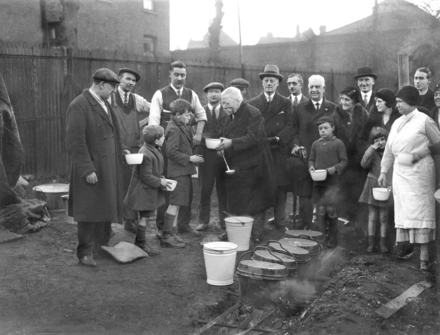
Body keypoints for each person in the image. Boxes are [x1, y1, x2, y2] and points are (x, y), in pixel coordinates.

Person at [66, 68, 126, 267]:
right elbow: (75, 142)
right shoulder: (79, 105)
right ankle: (84, 253)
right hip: (92, 167)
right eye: (112, 87)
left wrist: (122, 150)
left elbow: (114, 133)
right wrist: (87, 169)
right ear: (101, 84)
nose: (114, 91)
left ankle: (101, 245)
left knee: (105, 205)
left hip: (107, 166)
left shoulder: (105, 103)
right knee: (89, 210)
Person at [378, 85, 440, 271]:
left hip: (420, 174)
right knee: (404, 212)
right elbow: (389, 150)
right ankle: (405, 252)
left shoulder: (425, 121)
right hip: (400, 174)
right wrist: (383, 171)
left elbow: (439, 144)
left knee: (420, 213)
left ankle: (424, 257)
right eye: (396, 102)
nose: (397, 105)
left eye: (400, 102)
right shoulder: (397, 123)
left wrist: (418, 155)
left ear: (411, 102)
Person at [148, 61, 207, 237]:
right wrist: (157, 146)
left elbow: (201, 115)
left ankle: (184, 224)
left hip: (185, 145)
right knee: (167, 186)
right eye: (177, 74)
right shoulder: (160, 94)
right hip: (166, 147)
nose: (180, 78)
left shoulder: (191, 94)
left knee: (185, 189)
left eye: (183, 75)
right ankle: (162, 227)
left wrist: (198, 134)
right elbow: (153, 121)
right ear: (170, 75)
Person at [216, 87, 275, 243]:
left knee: (256, 201)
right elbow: (228, 137)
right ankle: (235, 231)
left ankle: (256, 233)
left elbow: (254, 138)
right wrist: (223, 148)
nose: (223, 106)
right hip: (237, 164)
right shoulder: (229, 115)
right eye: (222, 103)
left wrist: (231, 143)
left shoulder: (252, 113)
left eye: (226, 103)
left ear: (237, 100)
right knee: (236, 199)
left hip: (255, 165)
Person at [248, 64, 293, 231]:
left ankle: (280, 223)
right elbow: (250, 127)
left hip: (278, 150)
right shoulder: (252, 103)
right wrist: (261, 140)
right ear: (262, 83)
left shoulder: (286, 103)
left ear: (277, 83)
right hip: (260, 151)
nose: (268, 83)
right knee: (260, 186)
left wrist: (278, 138)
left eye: (272, 81)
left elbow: (290, 125)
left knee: (280, 187)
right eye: (266, 80)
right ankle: (258, 227)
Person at [291, 75, 337, 229]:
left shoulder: (333, 108)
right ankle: (306, 227)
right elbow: (294, 132)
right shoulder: (300, 108)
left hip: (327, 160)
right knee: (305, 197)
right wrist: (296, 146)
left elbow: (338, 133)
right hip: (306, 160)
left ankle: (325, 230)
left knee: (327, 197)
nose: (314, 90)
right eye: (311, 87)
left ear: (323, 89)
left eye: (317, 87)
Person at [110, 67, 151, 234]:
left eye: (133, 81)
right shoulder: (109, 97)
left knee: (131, 185)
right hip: (113, 148)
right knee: (112, 183)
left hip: (133, 150)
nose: (130, 83)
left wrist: (140, 126)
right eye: (127, 79)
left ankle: (129, 220)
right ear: (119, 79)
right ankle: (108, 222)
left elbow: (155, 111)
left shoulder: (137, 99)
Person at [161, 99, 204, 248]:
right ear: (178, 115)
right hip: (178, 172)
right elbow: (171, 152)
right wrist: (189, 158)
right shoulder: (173, 129)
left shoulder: (180, 125)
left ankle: (170, 233)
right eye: (187, 114)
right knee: (174, 203)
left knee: (177, 203)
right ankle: (166, 236)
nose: (189, 117)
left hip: (183, 171)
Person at [123, 125, 171, 256]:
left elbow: (152, 171)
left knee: (146, 216)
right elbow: (146, 176)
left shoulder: (151, 149)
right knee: (144, 216)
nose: (164, 139)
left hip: (147, 190)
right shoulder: (146, 154)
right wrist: (160, 182)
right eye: (162, 137)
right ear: (156, 140)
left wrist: (160, 177)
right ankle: (141, 242)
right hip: (143, 191)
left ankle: (140, 241)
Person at [309, 116, 347, 248]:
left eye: (325, 128)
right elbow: (311, 159)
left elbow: (344, 161)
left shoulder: (338, 143)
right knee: (320, 209)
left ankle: (333, 237)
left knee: (331, 209)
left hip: (332, 183)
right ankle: (321, 237)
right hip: (318, 182)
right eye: (320, 129)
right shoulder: (316, 144)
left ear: (332, 128)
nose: (323, 131)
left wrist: (335, 168)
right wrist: (311, 167)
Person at [194, 82, 228, 232]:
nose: (214, 94)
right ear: (206, 95)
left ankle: (224, 221)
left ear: (221, 94)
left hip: (223, 156)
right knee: (205, 189)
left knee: (223, 190)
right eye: (211, 92)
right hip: (206, 156)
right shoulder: (200, 112)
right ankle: (203, 220)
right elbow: (195, 134)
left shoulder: (227, 112)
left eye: (217, 91)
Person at [333, 86, 369, 221]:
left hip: (358, 158)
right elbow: (334, 135)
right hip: (342, 158)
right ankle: (342, 217)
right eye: (341, 99)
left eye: (347, 99)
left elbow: (366, 136)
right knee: (342, 187)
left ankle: (354, 218)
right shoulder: (336, 113)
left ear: (355, 101)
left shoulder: (363, 113)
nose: (343, 102)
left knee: (357, 188)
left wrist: (359, 156)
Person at [359, 127, 392, 253]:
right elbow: (363, 164)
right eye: (376, 140)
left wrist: (391, 185)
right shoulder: (372, 152)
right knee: (372, 216)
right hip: (372, 184)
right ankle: (371, 243)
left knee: (384, 216)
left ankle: (383, 243)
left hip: (386, 186)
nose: (380, 142)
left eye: (383, 139)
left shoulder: (391, 153)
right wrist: (372, 148)